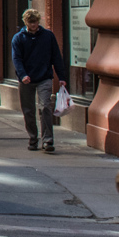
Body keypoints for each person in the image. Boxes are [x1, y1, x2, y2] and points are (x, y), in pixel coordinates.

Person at [10, 9, 69, 153]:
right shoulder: (18, 38)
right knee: (28, 110)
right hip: (26, 80)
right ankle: (33, 138)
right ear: (26, 23)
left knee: (45, 107)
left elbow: (56, 57)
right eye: (31, 22)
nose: (34, 25)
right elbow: (16, 59)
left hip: (44, 78)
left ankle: (47, 140)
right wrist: (23, 75)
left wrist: (61, 77)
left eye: (35, 22)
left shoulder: (48, 36)